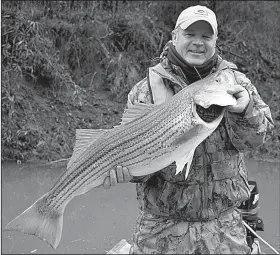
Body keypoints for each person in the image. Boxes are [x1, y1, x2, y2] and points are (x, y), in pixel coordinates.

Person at [103, 5, 274, 254]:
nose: (198, 43)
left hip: (225, 227)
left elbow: (259, 138)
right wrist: (126, 171)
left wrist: (245, 107)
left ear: (215, 41)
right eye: (189, 34)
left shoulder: (235, 83)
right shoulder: (145, 91)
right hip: (161, 228)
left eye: (206, 36)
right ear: (174, 37)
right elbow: (136, 162)